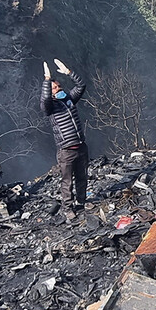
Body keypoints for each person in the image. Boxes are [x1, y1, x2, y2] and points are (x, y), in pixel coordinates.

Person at [40, 59, 89, 215]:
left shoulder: (69, 100)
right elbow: (45, 100)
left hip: (80, 146)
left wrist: (69, 72)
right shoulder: (50, 108)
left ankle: (81, 203)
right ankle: (68, 209)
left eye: (58, 86)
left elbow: (81, 86)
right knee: (67, 182)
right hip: (66, 151)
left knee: (82, 177)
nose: (58, 88)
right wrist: (47, 80)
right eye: (54, 88)